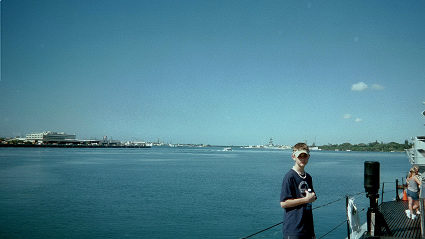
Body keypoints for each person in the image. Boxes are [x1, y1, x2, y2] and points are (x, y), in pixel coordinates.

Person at [280, 143, 317, 239]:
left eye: (305, 156)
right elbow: (284, 203)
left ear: (309, 157)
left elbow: (311, 199)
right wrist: (306, 200)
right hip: (294, 230)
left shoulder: (308, 177)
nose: (303, 159)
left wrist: (312, 232)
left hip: (307, 229)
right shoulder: (289, 177)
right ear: (293, 157)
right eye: (300, 156)